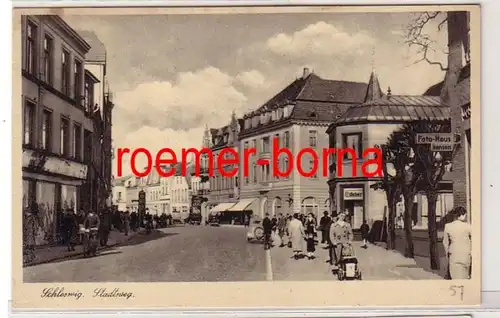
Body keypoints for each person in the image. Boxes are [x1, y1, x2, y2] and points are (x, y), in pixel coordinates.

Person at [443, 206, 472, 280]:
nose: (465, 217)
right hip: (466, 254)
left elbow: (445, 243)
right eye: (465, 215)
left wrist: (447, 254)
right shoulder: (468, 226)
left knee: (454, 277)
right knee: (465, 277)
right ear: (461, 215)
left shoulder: (447, 226)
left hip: (454, 254)